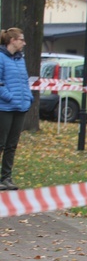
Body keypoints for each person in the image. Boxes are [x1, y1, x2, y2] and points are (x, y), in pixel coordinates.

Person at [0, 28, 33, 191]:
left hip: (20, 107)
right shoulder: (0, 58)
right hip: (4, 107)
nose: (24, 43)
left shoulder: (20, 59)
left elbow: (24, 81)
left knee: (12, 145)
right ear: (12, 40)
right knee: (1, 142)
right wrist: (9, 97)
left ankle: (6, 178)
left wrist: (28, 97)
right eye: (21, 39)